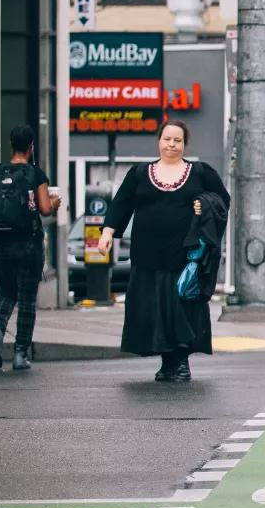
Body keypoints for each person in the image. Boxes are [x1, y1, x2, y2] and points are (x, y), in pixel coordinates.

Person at [97, 121, 230, 382]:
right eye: (167, 139)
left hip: (184, 255)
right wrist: (107, 232)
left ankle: (181, 360)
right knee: (154, 309)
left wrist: (205, 205)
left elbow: (223, 200)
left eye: (177, 140)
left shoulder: (200, 173)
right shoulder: (139, 173)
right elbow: (121, 204)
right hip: (147, 255)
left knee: (181, 307)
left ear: (185, 144)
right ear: (159, 141)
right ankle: (166, 361)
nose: (172, 145)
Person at [0, 125, 60, 370]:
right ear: (31, 146)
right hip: (28, 246)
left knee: (6, 293)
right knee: (27, 300)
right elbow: (44, 209)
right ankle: (20, 354)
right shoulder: (35, 175)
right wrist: (55, 202)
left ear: (11, 145)